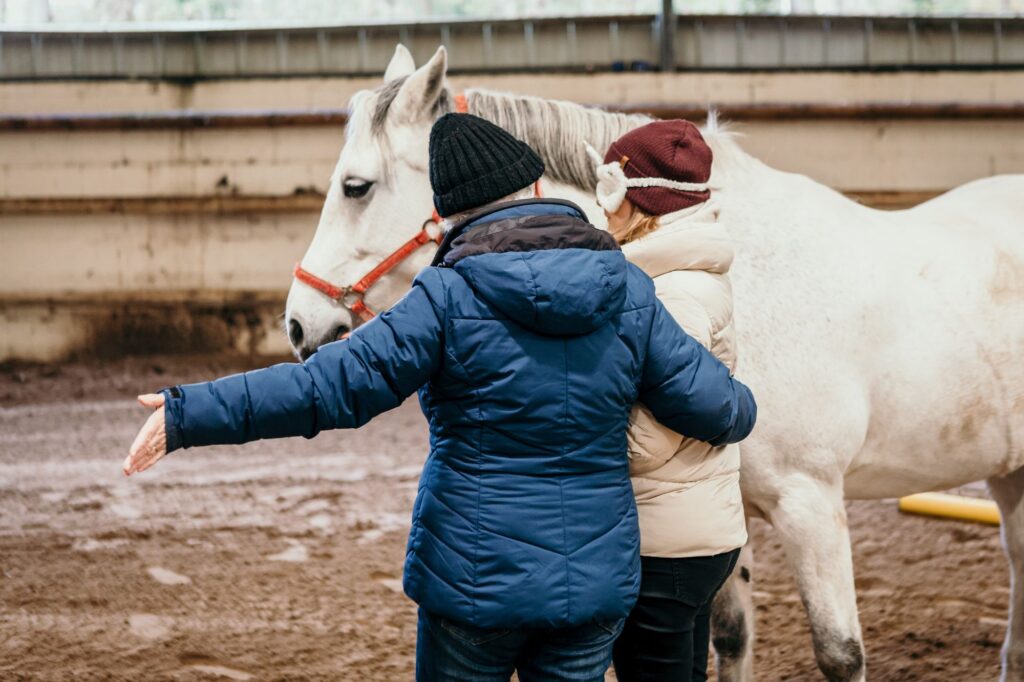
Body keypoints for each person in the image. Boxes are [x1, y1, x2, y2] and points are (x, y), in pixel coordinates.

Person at [123, 113, 757, 682]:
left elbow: (324, 388)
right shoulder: (627, 286)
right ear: (536, 189)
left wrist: (186, 413)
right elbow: (721, 409)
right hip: (590, 589)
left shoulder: (444, 296)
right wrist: (742, 393)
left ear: (450, 216)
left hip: (473, 581)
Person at [586, 120, 748, 682]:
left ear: (637, 202)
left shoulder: (671, 293)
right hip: (689, 526)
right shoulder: (675, 276)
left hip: (665, 541)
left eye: (609, 194)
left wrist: (578, 440)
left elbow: (653, 439)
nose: (599, 209)